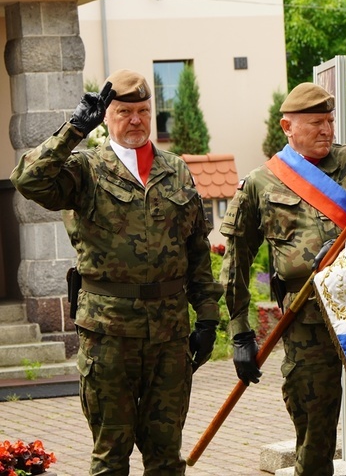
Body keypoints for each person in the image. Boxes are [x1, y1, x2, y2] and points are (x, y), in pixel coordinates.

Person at [10, 69, 222, 475]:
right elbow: (27, 180)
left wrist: (208, 318)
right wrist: (73, 129)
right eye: (125, 111)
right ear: (107, 116)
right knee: (111, 456)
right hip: (108, 333)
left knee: (166, 457)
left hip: (169, 333)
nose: (136, 120)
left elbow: (196, 250)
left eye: (143, 110)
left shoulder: (176, 170)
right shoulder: (85, 169)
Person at [219, 83, 346, 475]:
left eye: (329, 121)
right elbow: (236, 262)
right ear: (287, 126)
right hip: (305, 322)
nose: (326, 130)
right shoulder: (262, 182)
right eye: (315, 123)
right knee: (313, 436)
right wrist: (241, 333)